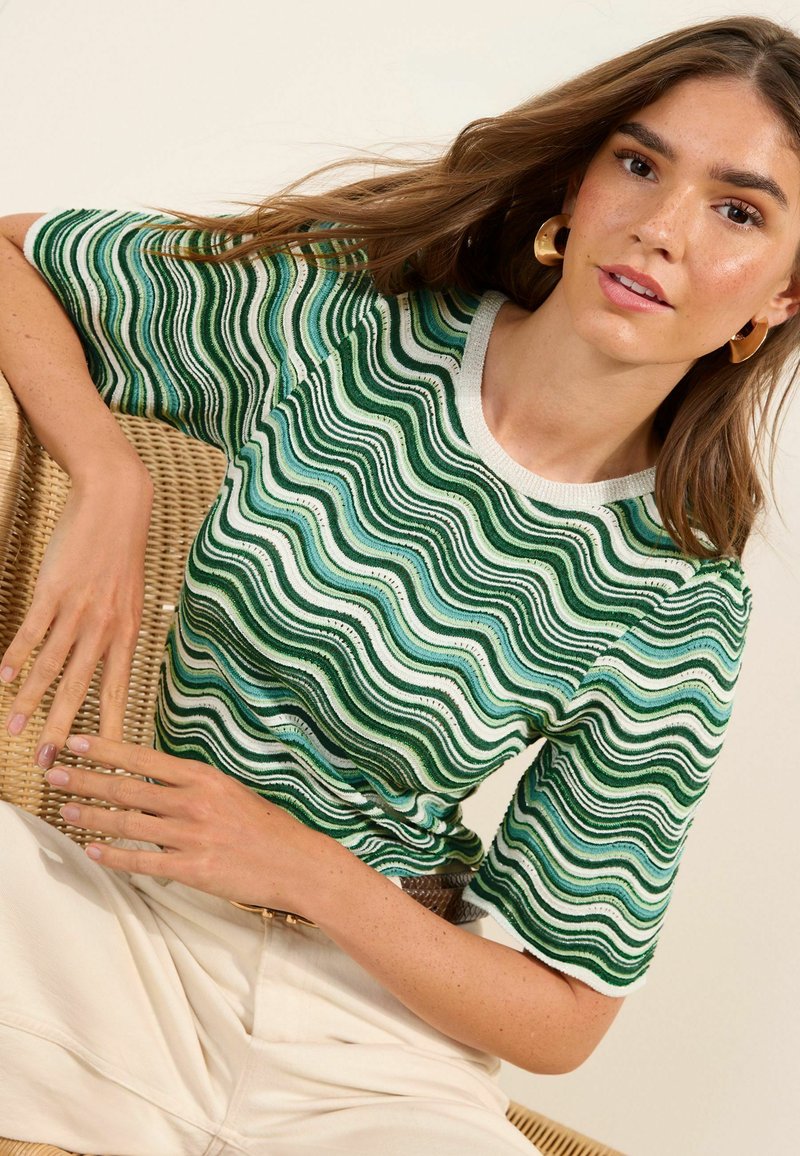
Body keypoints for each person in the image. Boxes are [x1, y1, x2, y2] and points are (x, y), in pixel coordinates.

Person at [0, 11, 798, 1155]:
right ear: (574, 189)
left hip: (366, 1036)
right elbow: (16, 254)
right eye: (637, 164)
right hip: (111, 925)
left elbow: (563, 1013)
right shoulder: (348, 323)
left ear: (780, 297)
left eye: (737, 210)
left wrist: (301, 867)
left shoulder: (678, 597)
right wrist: (107, 471)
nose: (660, 229)